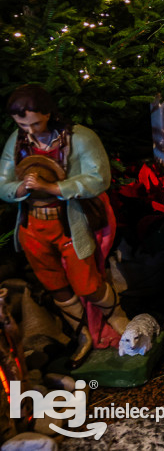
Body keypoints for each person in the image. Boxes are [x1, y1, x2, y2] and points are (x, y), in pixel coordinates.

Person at [0, 85, 128, 367]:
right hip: (33, 225)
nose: (29, 130)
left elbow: (99, 178)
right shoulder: (18, 141)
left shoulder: (79, 138)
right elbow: (3, 183)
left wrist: (53, 186)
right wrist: (21, 187)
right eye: (22, 124)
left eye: (35, 122)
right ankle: (82, 333)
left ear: (48, 113)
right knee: (53, 282)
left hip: (69, 223)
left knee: (87, 283)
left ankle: (117, 318)